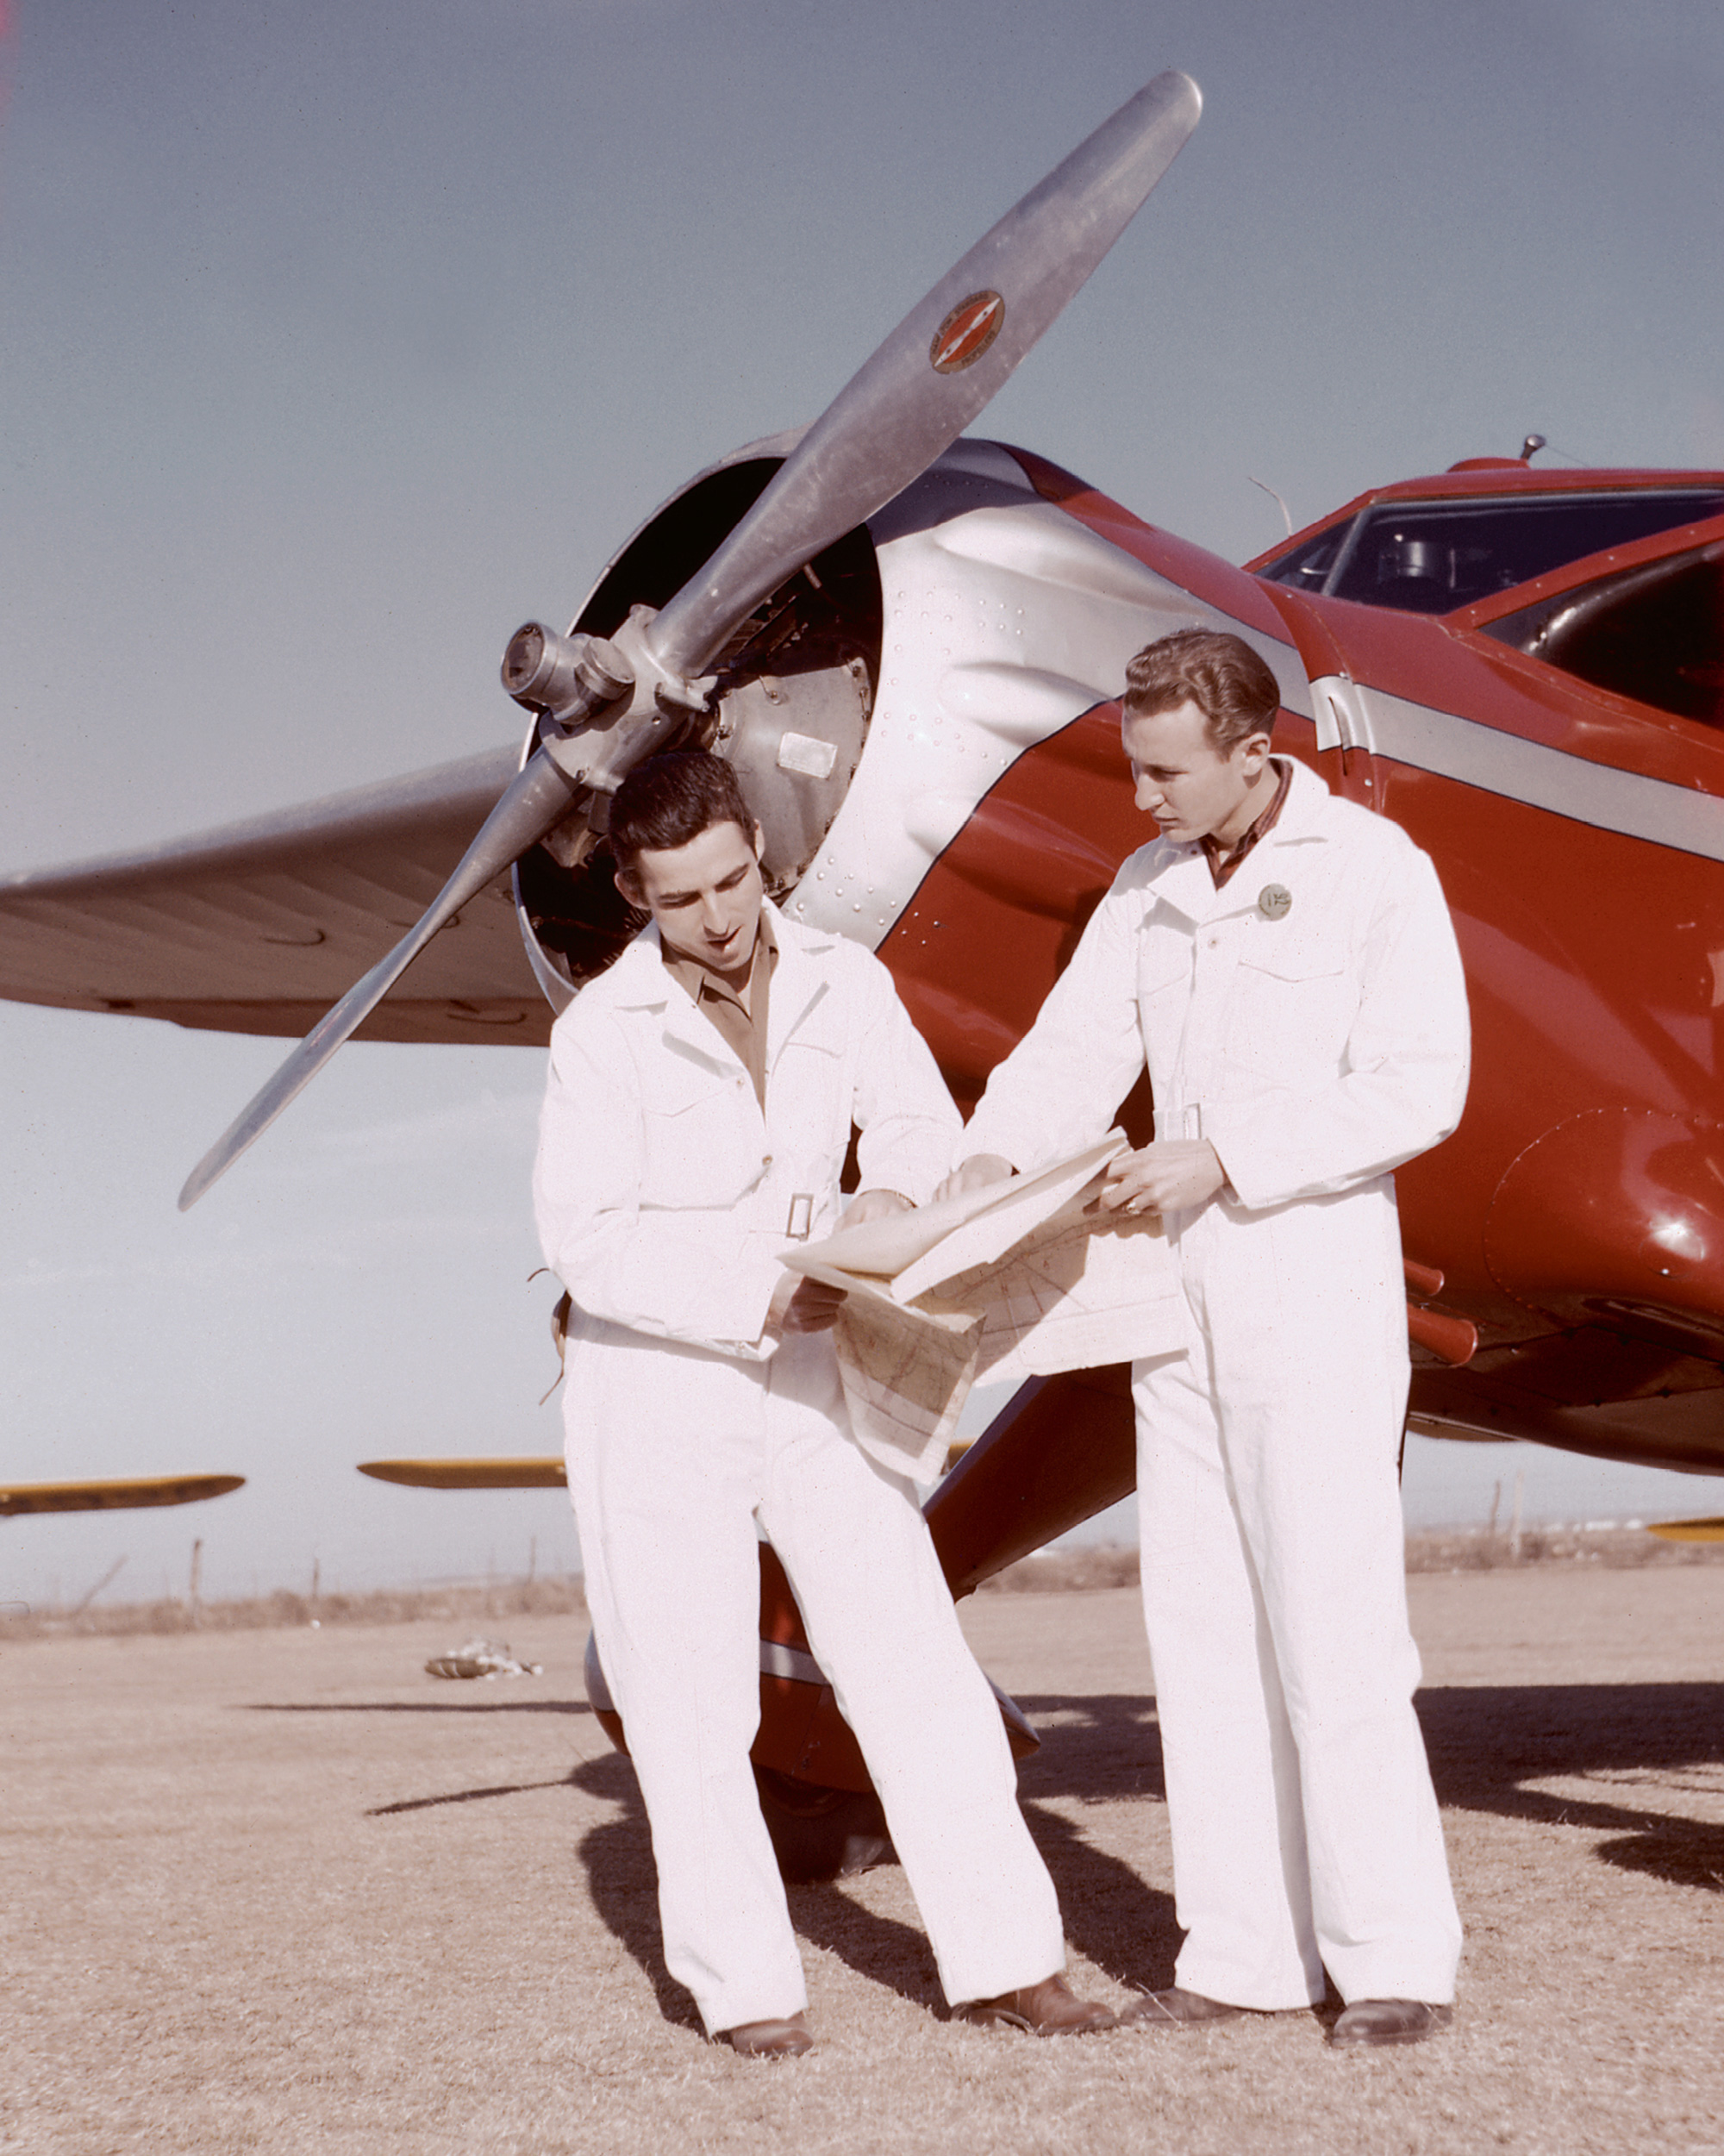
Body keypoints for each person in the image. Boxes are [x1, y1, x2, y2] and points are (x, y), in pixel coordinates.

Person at [533, 750, 1114, 2058]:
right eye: (682, 899)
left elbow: (910, 1119)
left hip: (816, 1368)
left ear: (759, 849)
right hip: (658, 1386)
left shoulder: (848, 981)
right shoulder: (597, 1035)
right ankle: (748, 1995)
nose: (721, 916)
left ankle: (1014, 1962)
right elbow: (587, 1240)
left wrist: (896, 1209)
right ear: (635, 890)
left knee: (911, 1652)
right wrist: (757, 1288)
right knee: (688, 1699)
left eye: (734, 879)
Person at [943, 629, 1469, 2048]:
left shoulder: (1374, 870)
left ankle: (1394, 1963)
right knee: (1201, 1629)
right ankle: (1241, 1959)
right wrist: (986, 1170)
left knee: (1334, 1626)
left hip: (1309, 1288)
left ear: (1253, 750)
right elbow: (1066, 1054)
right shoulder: (1147, 885)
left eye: (1163, 771)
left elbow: (1423, 1085)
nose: (1140, 798)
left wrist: (1225, 1153)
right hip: (1174, 1308)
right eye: (1132, 768)